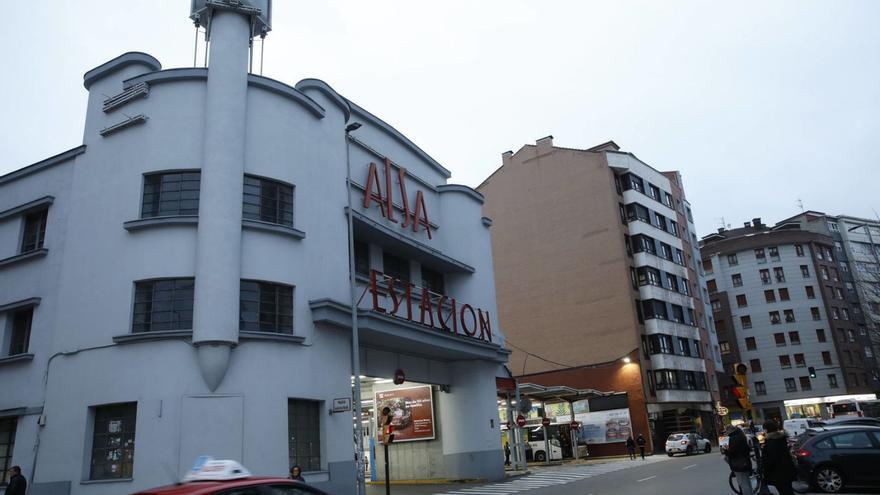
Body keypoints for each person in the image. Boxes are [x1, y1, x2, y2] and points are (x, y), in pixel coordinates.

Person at [761, 420, 795, 495]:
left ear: (767, 429)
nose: (764, 431)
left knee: (784, 491)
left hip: (777, 473)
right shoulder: (781, 438)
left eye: (764, 428)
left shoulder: (771, 442)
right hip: (787, 470)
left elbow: (770, 460)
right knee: (788, 491)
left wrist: (764, 469)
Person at [725, 426, 754, 495]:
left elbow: (732, 453)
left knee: (743, 484)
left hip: (739, 464)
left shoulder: (733, 439)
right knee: (747, 482)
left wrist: (726, 451)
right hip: (745, 461)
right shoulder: (742, 436)